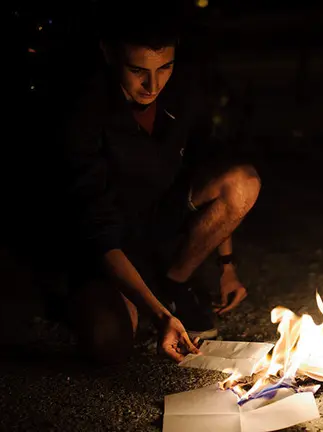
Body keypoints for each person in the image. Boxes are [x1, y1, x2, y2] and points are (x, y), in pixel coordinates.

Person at [60, 4, 260, 364]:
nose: (153, 85)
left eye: (164, 67)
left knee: (243, 182)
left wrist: (227, 266)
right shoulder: (84, 112)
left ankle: (173, 281)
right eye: (137, 70)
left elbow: (206, 165)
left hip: (159, 222)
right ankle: (117, 297)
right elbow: (99, 230)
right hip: (110, 241)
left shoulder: (183, 90)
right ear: (109, 53)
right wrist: (161, 317)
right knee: (108, 344)